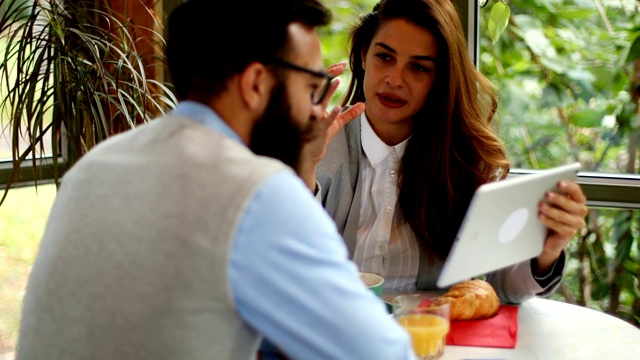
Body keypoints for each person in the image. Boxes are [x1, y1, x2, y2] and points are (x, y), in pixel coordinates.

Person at [15, 1, 415, 360]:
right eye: (313, 88)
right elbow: (380, 353)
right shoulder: (255, 192)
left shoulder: (97, 164)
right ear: (256, 84)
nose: (317, 113)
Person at [300, 0, 589, 303]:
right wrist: (304, 166)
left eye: (419, 67)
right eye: (384, 57)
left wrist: (547, 251)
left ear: (440, 79)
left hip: (437, 338)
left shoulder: (464, 158)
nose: (395, 79)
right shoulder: (318, 142)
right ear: (363, 57)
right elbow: (283, 253)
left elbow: (502, 288)